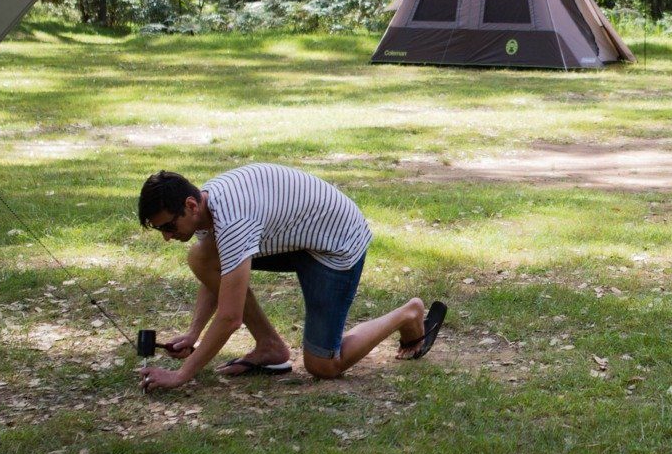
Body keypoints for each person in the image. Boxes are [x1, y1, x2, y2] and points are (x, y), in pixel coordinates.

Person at [136, 164, 444, 390]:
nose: (167, 237)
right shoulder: (205, 208)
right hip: (300, 238)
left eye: (168, 227)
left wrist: (181, 376)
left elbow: (230, 317)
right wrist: (194, 334)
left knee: (323, 366)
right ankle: (270, 346)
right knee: (202, 255)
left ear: (190, 205)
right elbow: (217, 271)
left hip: (337, 246)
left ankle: (409, 313)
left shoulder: (233, 219)